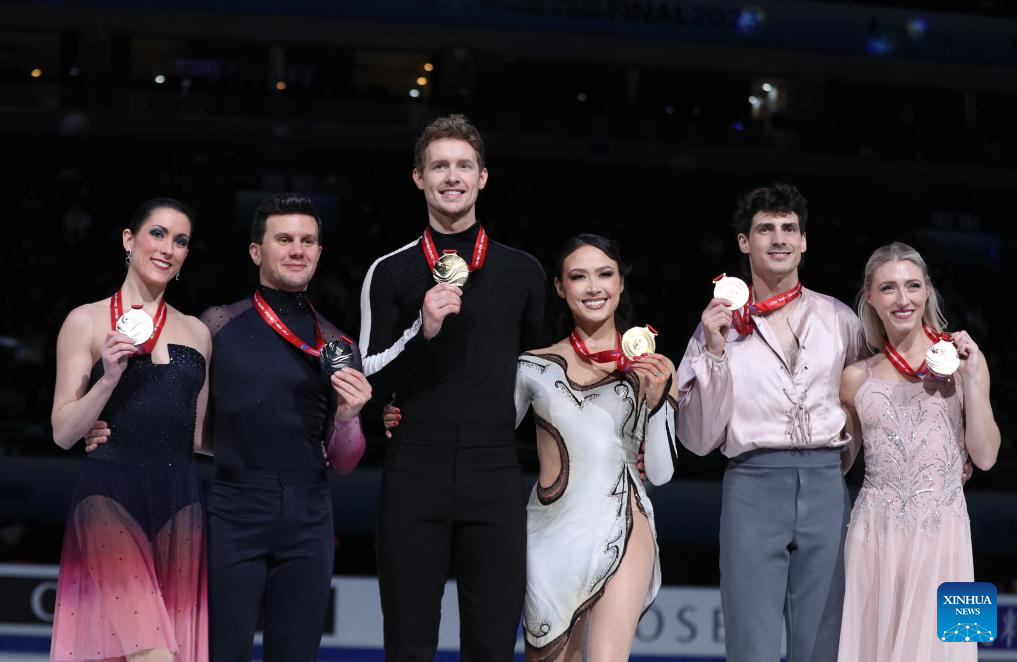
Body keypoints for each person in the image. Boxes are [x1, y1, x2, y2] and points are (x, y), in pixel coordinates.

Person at [359, 114, 549, 660]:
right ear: (418, 177)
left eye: (464, 165)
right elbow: (368, 383)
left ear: (483, 177)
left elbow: (543, 382)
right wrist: (424, 331)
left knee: (492, 646)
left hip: (494, 469)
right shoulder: (390, 272)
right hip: (414, 470)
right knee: (409, 642)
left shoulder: (522, 272)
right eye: (439, 165)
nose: (452, 176)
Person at [676, 183, 867, 662]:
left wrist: (838, 465)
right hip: (752, 484)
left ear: (804, 241)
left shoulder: (840, 319)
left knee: (824, 641)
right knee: (751, 644)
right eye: (766, 228)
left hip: (827, 484)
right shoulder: (715, 327)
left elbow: (869, 400)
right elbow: (697, 439)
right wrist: (716, 351)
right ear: (745, 242)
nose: (778, 238)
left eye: (789, 228)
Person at [199, 193, 371, 661]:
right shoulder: (216, 326)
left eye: (308, 240)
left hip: (310, 515)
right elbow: (182, 420)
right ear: (257, 251)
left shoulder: (337, 343)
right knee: (221, 652)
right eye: (284, 239)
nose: (297, 249)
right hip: (235, 507)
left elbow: (346, 459)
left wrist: (348, 418)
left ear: (318, 252)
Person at [50, 198, 210, 662]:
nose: (168, 248)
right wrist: (107, 380)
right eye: (157, 234)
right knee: (151, 652)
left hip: (180, 501)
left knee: (161, 652)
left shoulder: (198, 333)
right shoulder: (86, 319)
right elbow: (63, 430)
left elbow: (198, 435)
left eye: (180, 240)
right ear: (129, 239)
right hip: (108, 496)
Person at [514, 234, 678, 661]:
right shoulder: (532, 366)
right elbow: (484, 435)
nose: (593, 287)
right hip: (549, 530)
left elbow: (660, 473)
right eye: (578, 277)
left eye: (605, 274)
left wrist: (659, 400)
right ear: (559, 287)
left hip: (623, 521)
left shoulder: (654, 368)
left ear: (621, 283)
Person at [837, 242, 999, 662]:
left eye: (912, 286)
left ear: (927, 291)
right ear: (870, 297)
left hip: (946, 537)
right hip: (873, 536)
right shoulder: (855, 377)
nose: (903, 299)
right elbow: (841, 462)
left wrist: (976, 378)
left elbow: (984, 457)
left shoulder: (963, 363)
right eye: (888, 288)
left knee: (953, 650)